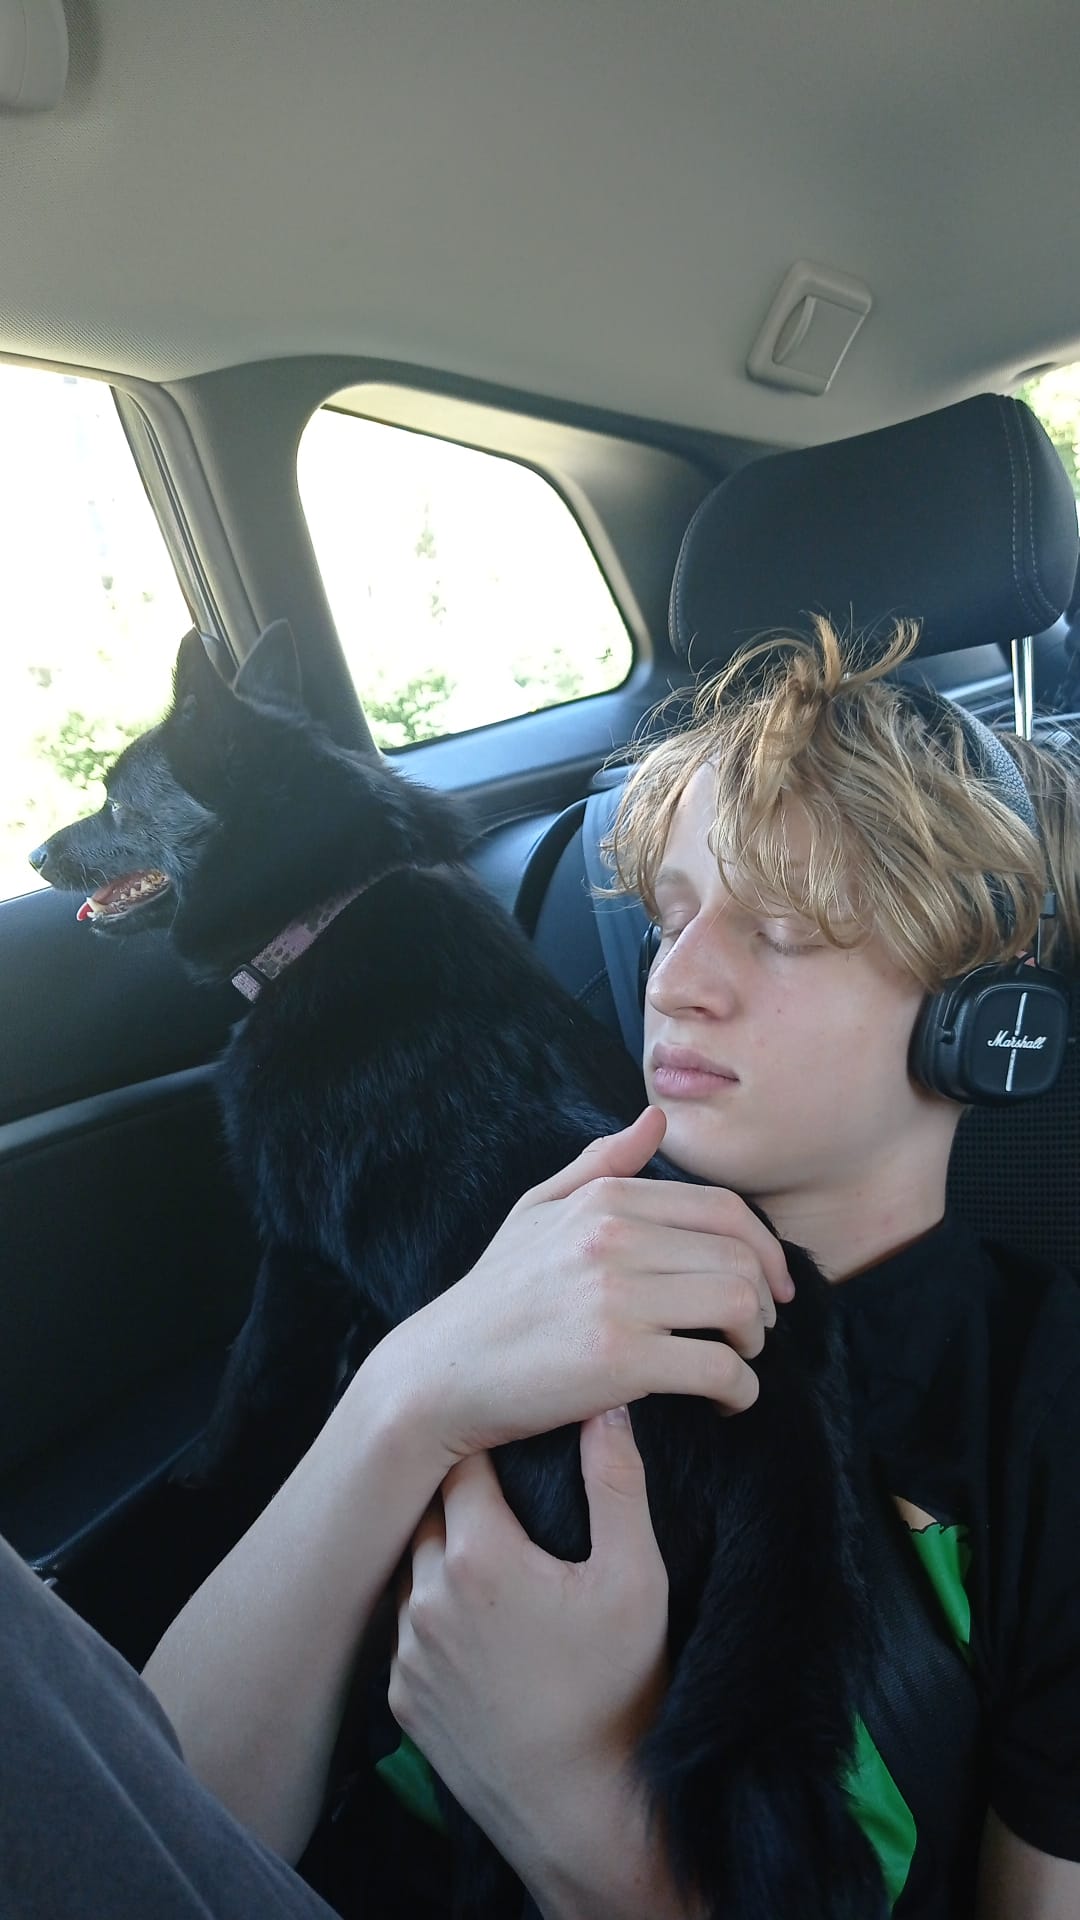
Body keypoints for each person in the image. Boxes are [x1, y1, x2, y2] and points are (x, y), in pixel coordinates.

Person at [3, 618, 1079, 1919]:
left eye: (785, 928)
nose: (677, 982)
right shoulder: (524, 1246)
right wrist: (408, 1392)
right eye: (670, 915)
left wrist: (571, 1809)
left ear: (989, 1006)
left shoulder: (1040, 1410)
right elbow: (158, 1834)